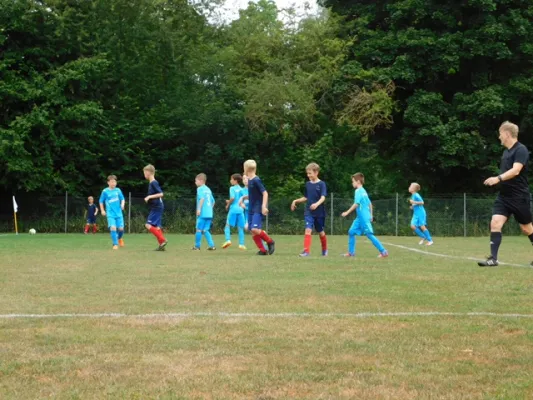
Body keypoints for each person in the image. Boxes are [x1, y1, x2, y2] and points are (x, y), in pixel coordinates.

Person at [478, 121, 533, 267]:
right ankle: (493, 259)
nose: (499, 136)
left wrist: (498, 178)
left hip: (519, 197)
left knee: (526, 229)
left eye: (500, 133)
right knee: (495, 223)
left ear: (507, 134)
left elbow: (516, 170)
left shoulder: (521, 150)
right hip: (504, 197)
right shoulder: (506, 152)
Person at [341, 173, 388, 258]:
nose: (352, 183)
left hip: (363, 217)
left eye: (353, 181)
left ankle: (383, 251)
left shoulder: (358, 191)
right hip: (360, 217)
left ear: (358, 181)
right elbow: (369, 204)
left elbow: (356, 204)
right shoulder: (364, 191)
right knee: (351, 232)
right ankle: (351, 253)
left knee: (369, 234)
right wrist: (371, 215)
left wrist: (347, 212)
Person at [291, 163, 328, 257]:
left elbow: (323, 197)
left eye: (310, 173)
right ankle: (306, 251)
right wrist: (295, 201)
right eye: (307, 173)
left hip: (319, 213)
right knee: (308, 230)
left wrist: (316, 204)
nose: (308, 175)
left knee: (321, 232)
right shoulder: (307, 184)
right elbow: (306, 197)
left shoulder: (322, 184)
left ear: (316, 172)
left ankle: (324, 250)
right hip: (309, 212)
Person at [242, 159, 275, 255]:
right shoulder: (250, 180)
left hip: (257, 208)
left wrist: (263, 206)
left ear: (246, 169)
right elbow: (254, 195)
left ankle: (270, 241)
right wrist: (244, 198)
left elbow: (265, 193)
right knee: (252, 230)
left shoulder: (256, 180)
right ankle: (263, 250)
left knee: (255, 229)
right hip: (251, 209)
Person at [143, 164, 168, 251]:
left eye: (144, 172)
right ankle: (161, 246)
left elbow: (161, 194)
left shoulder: (154, 182)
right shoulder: (151, 182)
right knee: (156, 227)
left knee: (148, 225)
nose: (144, 174)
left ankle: (163, 240)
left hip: (157, 207)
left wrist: (149, 197)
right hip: (157, 207)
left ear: (149, 172)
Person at [99, 175, 125, 250]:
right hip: (110, 214)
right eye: (112, 182)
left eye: (115, 182)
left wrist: (122, 205)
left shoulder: (118, 190)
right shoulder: (105, 191)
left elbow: (122, 199)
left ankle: (119, 238)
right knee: (113, 228)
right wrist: (102, 210)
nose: (114, 183)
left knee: (121, 229)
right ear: (108, 182)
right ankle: (115, 244)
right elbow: (101, 201)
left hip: (119, 213)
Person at [222, 174, 246, 250]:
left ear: (235, 180)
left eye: (231, 179)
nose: (230, 180)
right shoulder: (242, 189)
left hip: (233, 210)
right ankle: (241, 244)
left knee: (227, 225)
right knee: (240, 228)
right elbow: (243, 199)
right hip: (240, 210)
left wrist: (228, 204)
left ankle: (228, 240)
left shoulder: (232, 188)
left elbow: (233, 198)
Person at [193, 173, 216, 250]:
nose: (195, 182)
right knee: (205, 229)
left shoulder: (200, 189)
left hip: (202, 213)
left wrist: (199, 209)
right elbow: (213, 202)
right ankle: (212, 245)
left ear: (201, 181)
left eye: (196, 181)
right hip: (209, 213)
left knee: (198, 229)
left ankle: (197, 246)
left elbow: (202, 199)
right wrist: (209, 209)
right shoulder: (208, 189)